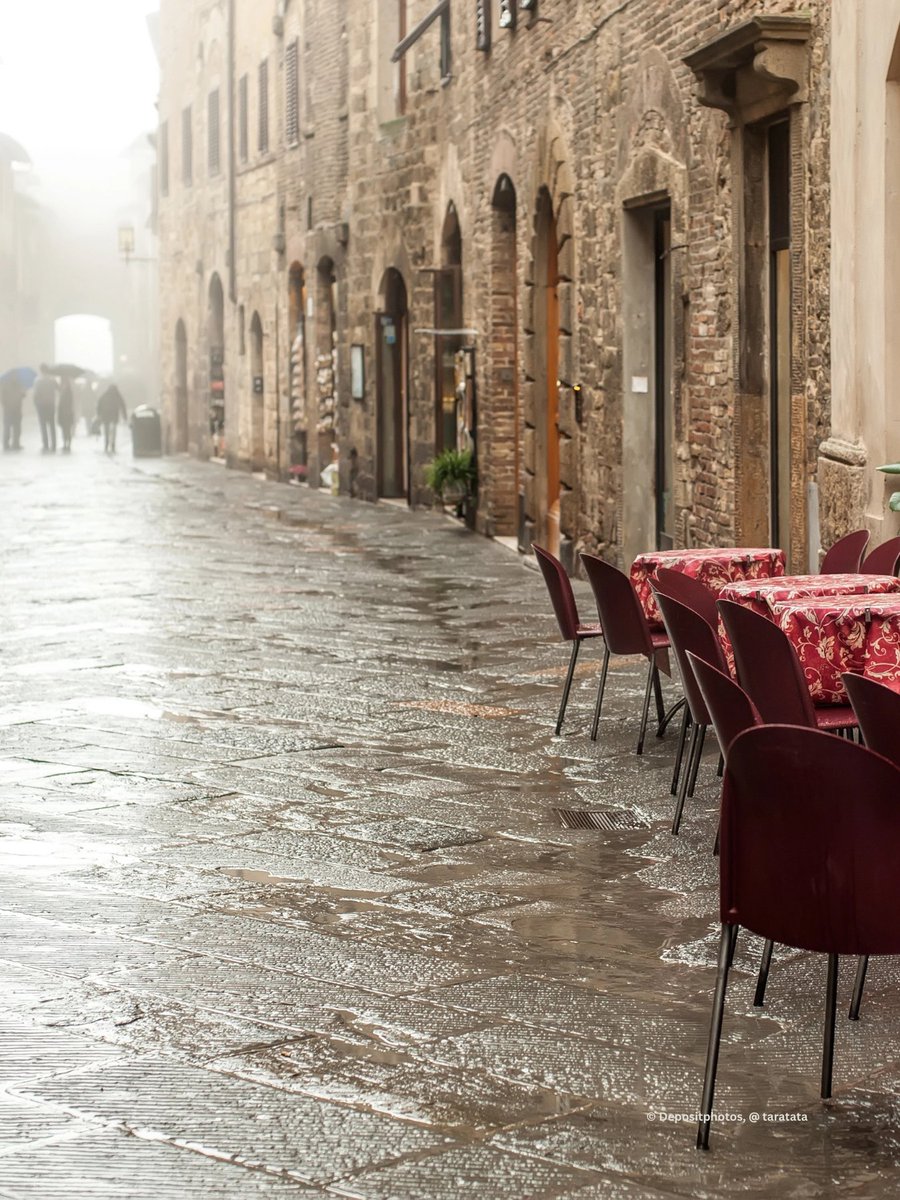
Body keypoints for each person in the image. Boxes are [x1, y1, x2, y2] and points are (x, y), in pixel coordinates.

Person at [33, 365, 58, 453]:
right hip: (51, 405)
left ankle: (46, 445)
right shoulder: (52, 380)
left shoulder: (38, 381)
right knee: (52, 425)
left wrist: (36, 404)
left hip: (41, 406)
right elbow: (58, 389)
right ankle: (54, 445)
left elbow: (35, 395)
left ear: (41, 370)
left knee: (43, 426)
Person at [97, 382, 127, 453]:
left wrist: (99, 414)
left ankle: (107, 443)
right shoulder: (117, 395)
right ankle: (112, 444)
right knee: (113, 430)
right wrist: (124, 415)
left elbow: (99, 404)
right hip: (114, 415)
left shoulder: (105, 395)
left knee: (107, 430)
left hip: (106, 415)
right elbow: (122, 405)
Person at [1, 373, 25, 451]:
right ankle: (15, 444)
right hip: (16, 409)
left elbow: (2, 397)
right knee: (16, 427)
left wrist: (4, 404)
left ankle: (6, 444)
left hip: (8, 409)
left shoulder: (5, 384)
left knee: (8, 427)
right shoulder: (19, 385)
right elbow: (23, 395)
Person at [58, 378, 75, 452]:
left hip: (65, 414)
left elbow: (62, 404)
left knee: (66, 430)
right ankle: (66, 444)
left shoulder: (66, 392)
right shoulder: (68, 392)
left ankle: (66, 444)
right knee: (66, 430)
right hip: (67, 413)